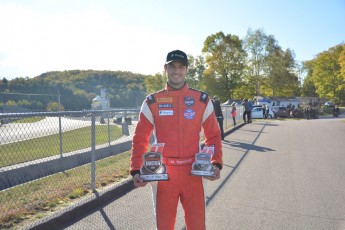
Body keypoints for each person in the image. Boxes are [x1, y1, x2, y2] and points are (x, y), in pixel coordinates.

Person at [130, 50, 223, 230]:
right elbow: (140, 138)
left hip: (193, 174)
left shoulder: (202, 100)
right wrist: (135, 170)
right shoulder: (152, 101)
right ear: (165, 68)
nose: (176, 71)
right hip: (163, 175)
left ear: (187, 69)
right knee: (164, 227)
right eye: (172, 66)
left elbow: (213, 135)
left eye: (181, 67)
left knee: (197, 226)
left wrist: (216, 163)